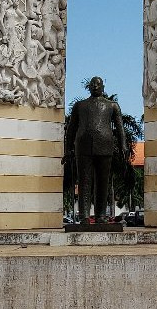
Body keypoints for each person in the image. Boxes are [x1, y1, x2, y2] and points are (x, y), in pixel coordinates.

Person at [63, 77, 127, 224]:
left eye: (98, 84)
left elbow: (120, 128)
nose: (95, 86)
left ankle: (100, 216)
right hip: (83, 146)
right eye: (92, 84)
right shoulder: (80, 106)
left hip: (105, 145)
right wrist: (67, 149)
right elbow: (71, 129)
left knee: (102, 183)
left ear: (103, 86)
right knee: (84, 181)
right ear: (89, 87)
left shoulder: (112, 105)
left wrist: (124, 145)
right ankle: (84, 216)